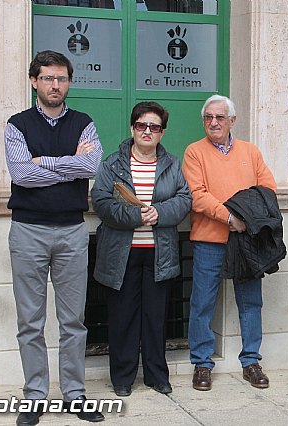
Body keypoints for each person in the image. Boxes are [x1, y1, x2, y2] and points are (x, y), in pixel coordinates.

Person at [4, 50, 104, 425]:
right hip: (28, 231)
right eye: (47, 78)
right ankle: (34, 396)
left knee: (73, 321)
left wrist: (42, 161)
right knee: (30, 322)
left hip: (72, 231)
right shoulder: (17, 125)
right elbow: (21, 174)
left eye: (61, 78)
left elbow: (90, 165)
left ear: (69, 83)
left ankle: (75, 395)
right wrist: (68, 165)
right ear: (34, 81)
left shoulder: (83, 123)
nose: (55, 85)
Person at [91, 102, 192, 397]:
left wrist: (159, 213)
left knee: (156, 318)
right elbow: (102, 202)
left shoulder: (172, 164)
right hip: (122, 253)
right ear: (132, 128)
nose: (147, 131)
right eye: (141, 125)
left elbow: (184, 199)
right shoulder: (112, 164)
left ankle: (156, 375)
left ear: (162, 132)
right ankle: (122, 377)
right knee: (123, 317)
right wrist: (136, 216)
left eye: (154, 127)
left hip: (159, 252)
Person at [182, 95, 276, 391]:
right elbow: (197, 195)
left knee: (251, 303)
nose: (213, 122)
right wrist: (229, 217)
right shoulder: (194, 152)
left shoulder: (251, 151)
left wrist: (245, 219)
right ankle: (201, 363)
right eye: (208, 117)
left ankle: (251, 362)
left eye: (220, 117)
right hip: (209, 240)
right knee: (202, 303)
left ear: (232, 120)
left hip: (246, 240)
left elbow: (267, 189)